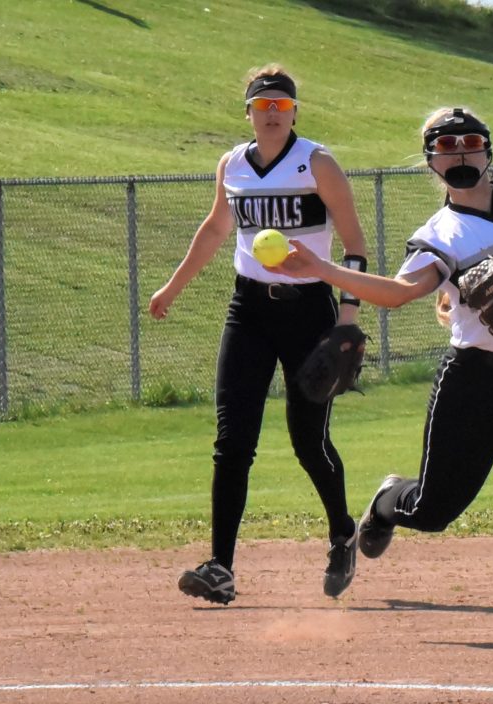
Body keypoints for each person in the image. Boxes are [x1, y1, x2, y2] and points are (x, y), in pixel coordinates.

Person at [272, 107, 493, 646]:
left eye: (469, 141)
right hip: (475, 382)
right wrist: (322, 269)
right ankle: (388, 502)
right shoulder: (440, 233)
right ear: (430, 160)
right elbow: (399, 293)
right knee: (433, 511)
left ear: (488, 150)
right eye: (445, 145)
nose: (460, 152)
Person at [149, 64, 369, 604]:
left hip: (309, 312)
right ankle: (220, 567)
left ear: (294, 112)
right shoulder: (232, 165)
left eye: (281, 105)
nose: (272, 114)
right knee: (232, 442)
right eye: (262, 105)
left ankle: (343, 532)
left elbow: (355, 245)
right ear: (247, 112)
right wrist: (173, 287)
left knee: (308, 443)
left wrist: (347, 317)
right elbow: (215, 228)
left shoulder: (317, 163)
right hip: (247, 310)